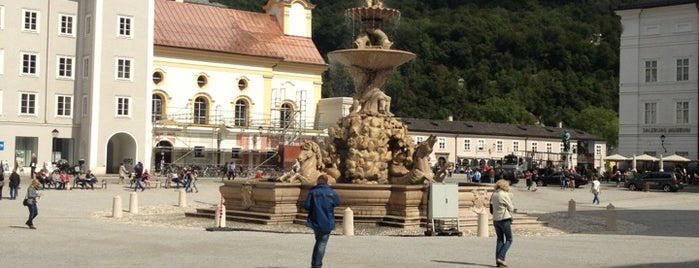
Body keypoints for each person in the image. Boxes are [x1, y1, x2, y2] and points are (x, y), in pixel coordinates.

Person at [303, 175, 341, 268]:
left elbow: (306, 206)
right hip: (328, 221)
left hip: (315, 220)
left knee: (319, 242)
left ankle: (315, 264)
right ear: (327, 182)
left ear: (318, 181)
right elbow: (337, 203)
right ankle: (317, 265)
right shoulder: (332, 192)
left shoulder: (313, 191)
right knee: (322, 243)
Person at [490, 179, 514, 267]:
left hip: (495, 219)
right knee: (509, 239)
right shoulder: (504, 194)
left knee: (500, 239)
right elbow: (511, 207)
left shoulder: (494, 193)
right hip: (504, 218)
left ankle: (498, 262)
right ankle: (501, 257)